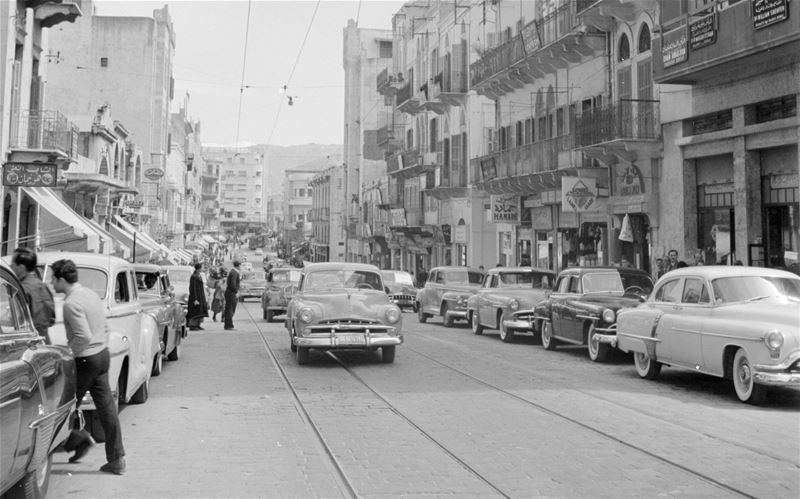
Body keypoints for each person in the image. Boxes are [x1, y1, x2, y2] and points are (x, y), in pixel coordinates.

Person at [51, 259, 125, 475]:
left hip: (85, 360)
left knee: (64, 406)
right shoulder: (91, 295)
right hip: (102, 355)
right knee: (107, 409)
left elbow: (82, 335)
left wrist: (69, 352)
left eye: (53, 279)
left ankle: (74, 441)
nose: (52, 284)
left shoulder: (70, 303)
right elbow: (104, 326)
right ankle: (117, 459)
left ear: (62, 280)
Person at [11, 247, 55, 343]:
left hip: (29, 344)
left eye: (13, 264)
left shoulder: (22, 289)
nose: (11, 267)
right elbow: (51, 319)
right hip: (44, 340)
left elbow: (15, 320)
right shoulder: (43, 286)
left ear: (21, 268)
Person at [187, 263, 208, 331]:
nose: (202, 268)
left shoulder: (199, 275)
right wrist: (195, 299)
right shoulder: (194, 276)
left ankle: (198, 325)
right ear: (199, 268)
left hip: (200, 296)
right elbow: (192, 288)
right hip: (195, 297)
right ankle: (192, 325)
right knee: (195, 311)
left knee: (200, 311)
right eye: (201, 267)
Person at [223, 260, 241, 330]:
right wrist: (236, 291)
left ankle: (227, 325)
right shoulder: (234, 273)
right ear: (238, 266)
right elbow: (233, 284)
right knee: (230, 309)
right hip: (231, 293)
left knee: (229, 309)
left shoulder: (232, 272)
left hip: (230, 292)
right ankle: (229, 325)